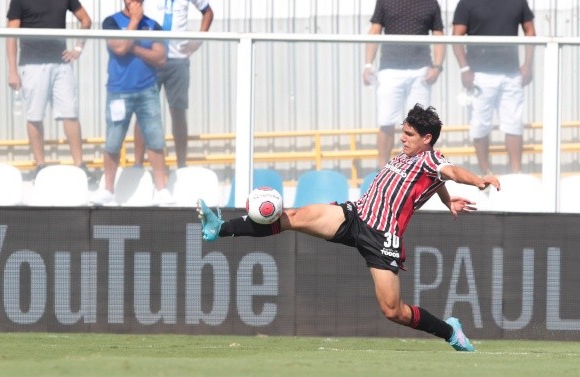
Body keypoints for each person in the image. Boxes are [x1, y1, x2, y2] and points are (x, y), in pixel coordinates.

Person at [197, 104, 501, 351]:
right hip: (354, 215)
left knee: (393, 311)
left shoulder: (433, 159)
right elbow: (436, 182)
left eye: (409, 134)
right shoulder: (408, 156)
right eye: (403, 133)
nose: (403, 138)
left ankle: (450, 331)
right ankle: (219, 227)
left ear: (427, 139)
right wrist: (447, 200)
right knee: (292, 216)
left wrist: (477, 180)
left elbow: (449, 172)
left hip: (382, 237)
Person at [91, 0, 174, 206]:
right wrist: (135, 21)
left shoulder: (153, 25)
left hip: (148, 90)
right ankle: (108, 190)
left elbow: (161, 57)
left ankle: (161, 188)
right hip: (118, 91)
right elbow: (118, 47)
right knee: (113, 141)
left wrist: (134, 48)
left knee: (155, 139)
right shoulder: (111, 22)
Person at [6, 0, 91, 178]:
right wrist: (12, 70)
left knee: (70, 113)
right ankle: (40, 166)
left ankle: (79, 164)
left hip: (61, 63)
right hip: (32, 64)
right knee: (34, 115)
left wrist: (77, 49)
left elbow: (86, 20)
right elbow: (10, 34)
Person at [452, 0, 536, 175]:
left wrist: (528, 64)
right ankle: (486, 175)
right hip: (480, 76)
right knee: (480, 124)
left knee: (514, 124)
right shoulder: (467, 3)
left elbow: (530, 31)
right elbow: (456, 35)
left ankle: (515, 174)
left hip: (511, 74)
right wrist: (464, 69)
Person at [363, 0, 445, 168]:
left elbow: (439, 35)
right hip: (390, 69)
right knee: (386, 121)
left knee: (421, 125)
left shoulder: (430, 3)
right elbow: (375, 30)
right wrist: (368, 64)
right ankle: (382, 169)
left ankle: (418, 168)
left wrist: (437, 67)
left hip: (420, 71)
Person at [133, 0, 215, 168]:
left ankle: (181, 165)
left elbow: (208, 12)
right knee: (144, 112)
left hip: (178, 60)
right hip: (151, 59)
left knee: (178, 112)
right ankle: (138, 164)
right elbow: (131, 10)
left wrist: (197, 41)